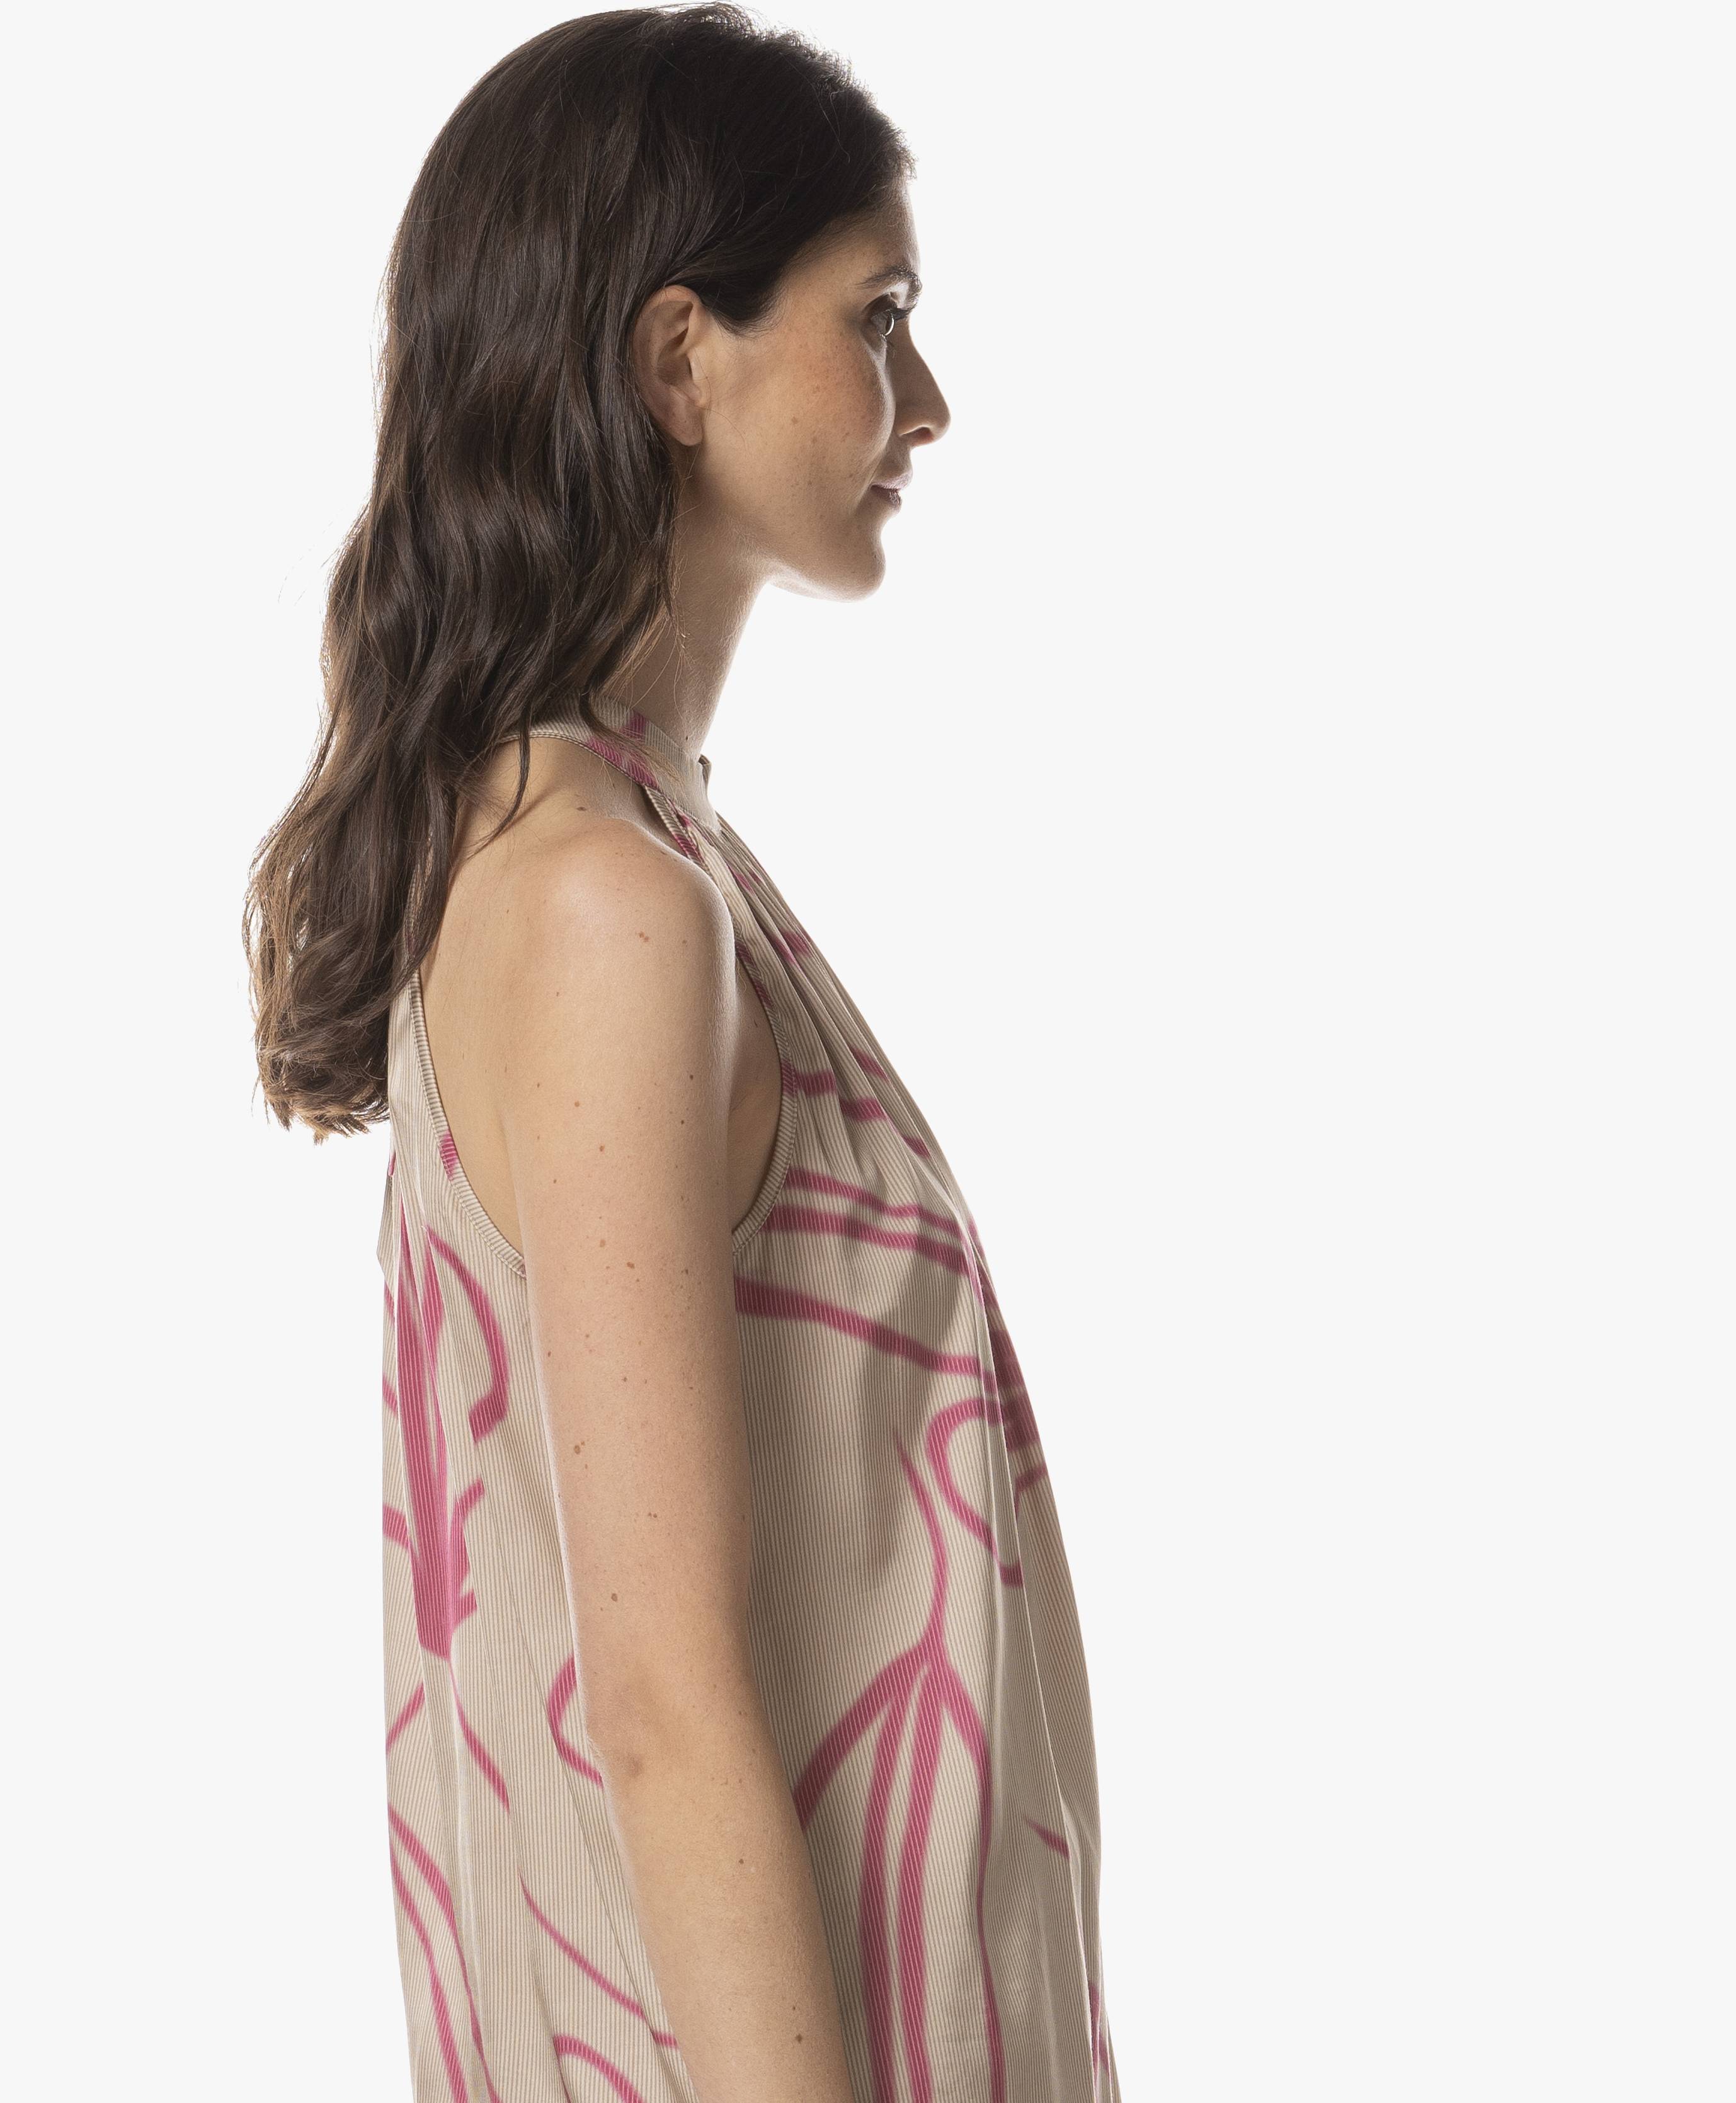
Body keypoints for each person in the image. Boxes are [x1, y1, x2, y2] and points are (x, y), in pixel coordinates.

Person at [244, 9, 1121, 2099]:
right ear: (674, 360)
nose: (927, 400)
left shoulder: (600, 856)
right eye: (877, 317)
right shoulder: (604, 904)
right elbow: (656, 1699)